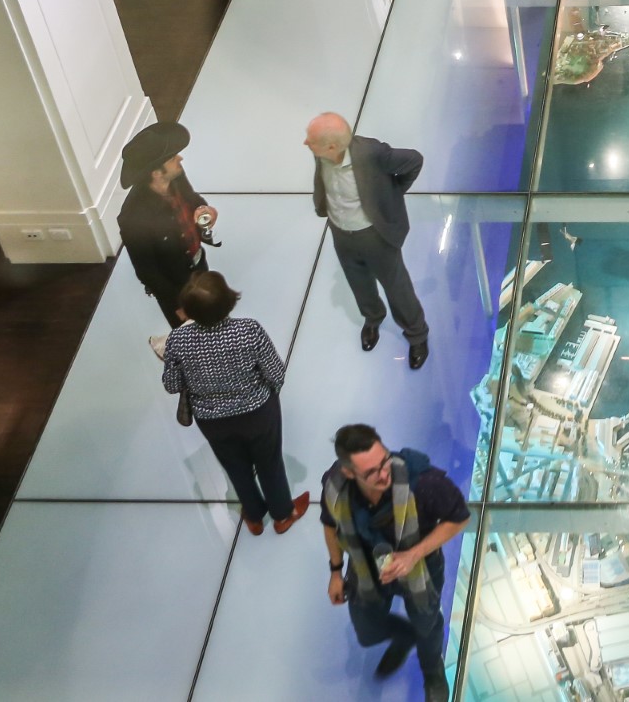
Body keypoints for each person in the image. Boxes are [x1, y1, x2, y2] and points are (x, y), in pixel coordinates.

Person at [320, 425, 470, 693]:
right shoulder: (335, 487)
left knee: (427, 624)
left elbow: (459, 517)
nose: (384, 474)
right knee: (367, 631)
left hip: (420, 566)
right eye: (371, 472)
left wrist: (413, 554)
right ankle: (403, 635)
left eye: (384, 461)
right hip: (366, 565)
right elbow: (330, 524)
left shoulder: (423, 483)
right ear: (348, 472)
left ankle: (432, 671)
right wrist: (335, 572)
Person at [162, 271, 310, 536]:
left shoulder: (178, 340)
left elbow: (171, 385)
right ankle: (282, 515)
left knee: (236, 468)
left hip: (212, 421)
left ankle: (253, 516)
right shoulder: (248, 330)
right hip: (257, 414)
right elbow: (276, 373)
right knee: (269, 464)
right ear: (229, 300)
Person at [305, 113, 431, 366]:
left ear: (331, 146)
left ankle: (417, 334)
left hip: (374, 235)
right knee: (358, 281)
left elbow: (414, 161)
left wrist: (392, 195)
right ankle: (373, 318)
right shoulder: (322, 152)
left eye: (311, 140)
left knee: (396, 286)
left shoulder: (371, 154)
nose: (306, 143)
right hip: (341, 231)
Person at [117, 120, 214, 428]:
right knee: (191, 340)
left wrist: (204, 212)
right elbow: (147, 271)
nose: (180, 161)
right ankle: (190, 388)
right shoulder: (133, 217)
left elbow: (194, 200)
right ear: (156, 172)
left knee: (210, 322)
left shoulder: (177, 179)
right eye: (173, 158)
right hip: (175, 286)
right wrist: (177, 305)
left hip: (197, 263)